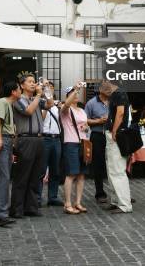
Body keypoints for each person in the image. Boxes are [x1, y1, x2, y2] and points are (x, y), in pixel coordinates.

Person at [10, 74, 45, 218]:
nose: (33, 84)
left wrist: (46, 91)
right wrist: (38, 95)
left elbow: (49, 104)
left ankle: (31, 207)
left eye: (34, 82)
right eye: (30, 82)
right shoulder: (19, 100)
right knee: (22, 175)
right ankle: (17, 209)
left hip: (39, 139)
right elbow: (29, 111)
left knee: (35, 176)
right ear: (22, 85)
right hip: (25, 139)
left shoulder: (36, 99)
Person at [0, 80, 21, 226]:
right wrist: (1, 142)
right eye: (19, 89)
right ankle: (2, 214)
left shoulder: (8, 103)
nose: (21, 91)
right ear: (13, 91)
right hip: (4, 140)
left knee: (0, 178)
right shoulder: (3, 102)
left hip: (7, 140)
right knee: (3, 178)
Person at [102, 80, 133, 214]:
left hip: (117, 135)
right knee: (111, 170)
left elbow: (120, 113)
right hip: (112, 134)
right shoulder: (115, 94)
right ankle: (115, 201)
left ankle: (125, 204)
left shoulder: (119, 93)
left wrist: (114, 130)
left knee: (117, 171)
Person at [60, 82, 89, 214]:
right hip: (71, 143)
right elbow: (66, 104)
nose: (76, 95)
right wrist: (76, 89)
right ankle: (67, 203)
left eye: (76, 93)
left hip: (83, 142)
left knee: (82, 174)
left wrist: (86, 127)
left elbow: (86, 125)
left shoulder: (82, 110)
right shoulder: (65, 109)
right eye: (72, 93)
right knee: (71, 174)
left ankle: (77, 202)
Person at [40, 80, 64, 207]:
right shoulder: (39, 102)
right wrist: (46, 105)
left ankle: (53, 197)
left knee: (55, 169)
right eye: (46, 87)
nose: (49, 89)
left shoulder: (57, 104)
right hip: (45, 138)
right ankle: (37, 198)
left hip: (56, 139)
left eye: (50, 87)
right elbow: (41, 118)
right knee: (41, 169)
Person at [85, 83, 109, 203]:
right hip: (97, 135)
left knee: (115, 164)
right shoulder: (91, 103)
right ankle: (100, 193)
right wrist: (99, 120)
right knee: (98, 164)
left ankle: (120, 193)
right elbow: (85, 120)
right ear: (100, 90)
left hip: (112, 135)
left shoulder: (114, 101)